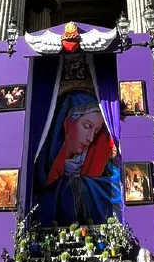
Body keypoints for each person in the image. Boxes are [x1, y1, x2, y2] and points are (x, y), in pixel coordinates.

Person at [34, 89, 121, 226]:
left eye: (96, 131)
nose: (90, 138)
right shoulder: (42, 162)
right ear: (67, 122)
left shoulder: (102, 160)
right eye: (87, 126)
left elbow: (115, 193)